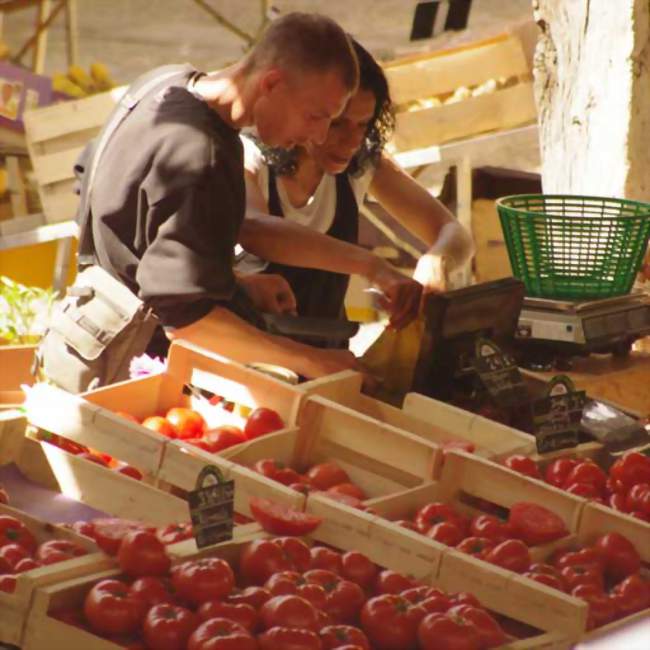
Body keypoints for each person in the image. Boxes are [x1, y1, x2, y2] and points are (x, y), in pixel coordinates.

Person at [38, 12, 421, 393]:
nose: (318, 136)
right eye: (316, 117)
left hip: (80, 338)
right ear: (272, 83)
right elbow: (189, 323)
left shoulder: (162, 84)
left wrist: (233, 283)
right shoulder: (203, 158)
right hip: (132, 377)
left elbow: (114, 199)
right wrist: (309, 359)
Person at [237, 38, 474, 330]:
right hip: (254, 361)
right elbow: (255, 229)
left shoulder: (359, 163)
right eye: (337, 123)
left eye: (363, 125)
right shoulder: (247, 155)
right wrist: (374, 268)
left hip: (329, 355)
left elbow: (455, 234)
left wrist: (437, 260)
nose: (352, 141)